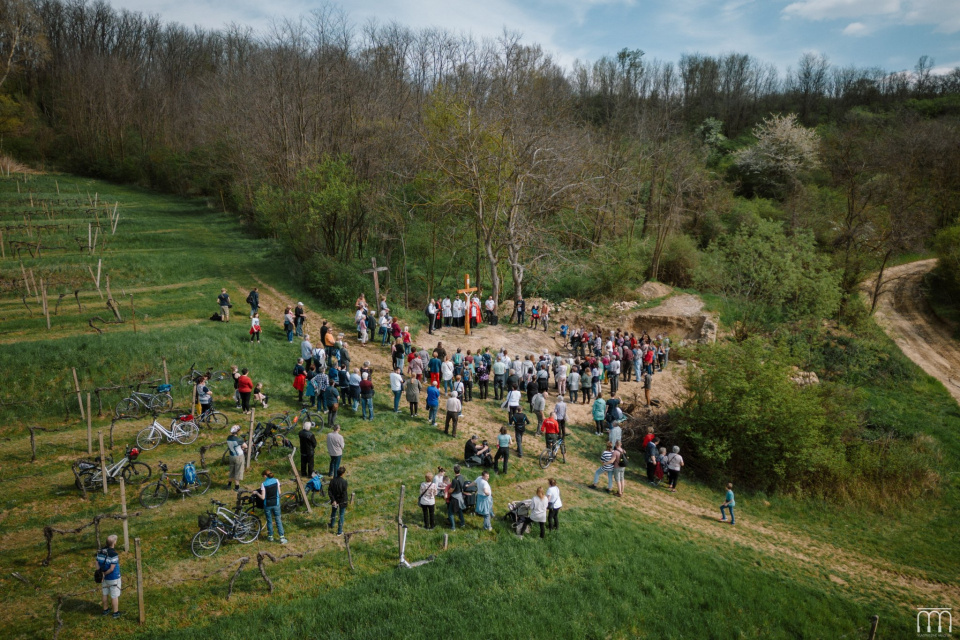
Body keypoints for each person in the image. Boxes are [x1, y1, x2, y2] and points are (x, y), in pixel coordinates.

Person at [255, 470, 287, 544]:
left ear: (265, 476)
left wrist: (256, 493)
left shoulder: (263, 484)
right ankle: (282, 537)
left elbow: (263, 497)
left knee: (269, 520)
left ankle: (270, 536)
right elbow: (279, 492)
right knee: (278, 519)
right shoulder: (276, 480)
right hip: (276, 503)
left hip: (267, 505)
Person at [96, 534, 122, 618]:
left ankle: (105, 609)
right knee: (114, 595)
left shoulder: (100, 551)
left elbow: (96, 562)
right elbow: (111, 569)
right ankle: (115, 612)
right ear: (114, 542)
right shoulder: (113, 554)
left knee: (105, 593)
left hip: (104, 578)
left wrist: (100, 573)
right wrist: (104, 574)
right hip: (113, 577)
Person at [225, 425, 247, 490]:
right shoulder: (238, 439)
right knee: (238, 471)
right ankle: (237, 487)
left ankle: (229, 485)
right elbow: (245, 446)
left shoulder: (228, 437)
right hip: (239, 456)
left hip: (231, 456)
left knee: (231, 470)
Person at [328, 466, 348, 536]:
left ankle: (331, 524)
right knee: (341, 515)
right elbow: (344, 493)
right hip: (342, 500)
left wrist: (334, 500)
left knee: (333, 512)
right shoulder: (344, 482)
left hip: (334, 500)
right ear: (343, 474)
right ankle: (339, 531)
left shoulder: (332, 481)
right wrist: (340, 501)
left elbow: (330, 491)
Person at [447, 465, 468, 530]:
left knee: (450, 512)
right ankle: (462, 523)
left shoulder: (454, 480)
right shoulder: (461, 477)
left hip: (455, 498)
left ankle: (453, 527)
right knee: (459, 510)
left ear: (454, 471)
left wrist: (447, 490)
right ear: (459, 470)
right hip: (460, 496)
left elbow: (451, 490)